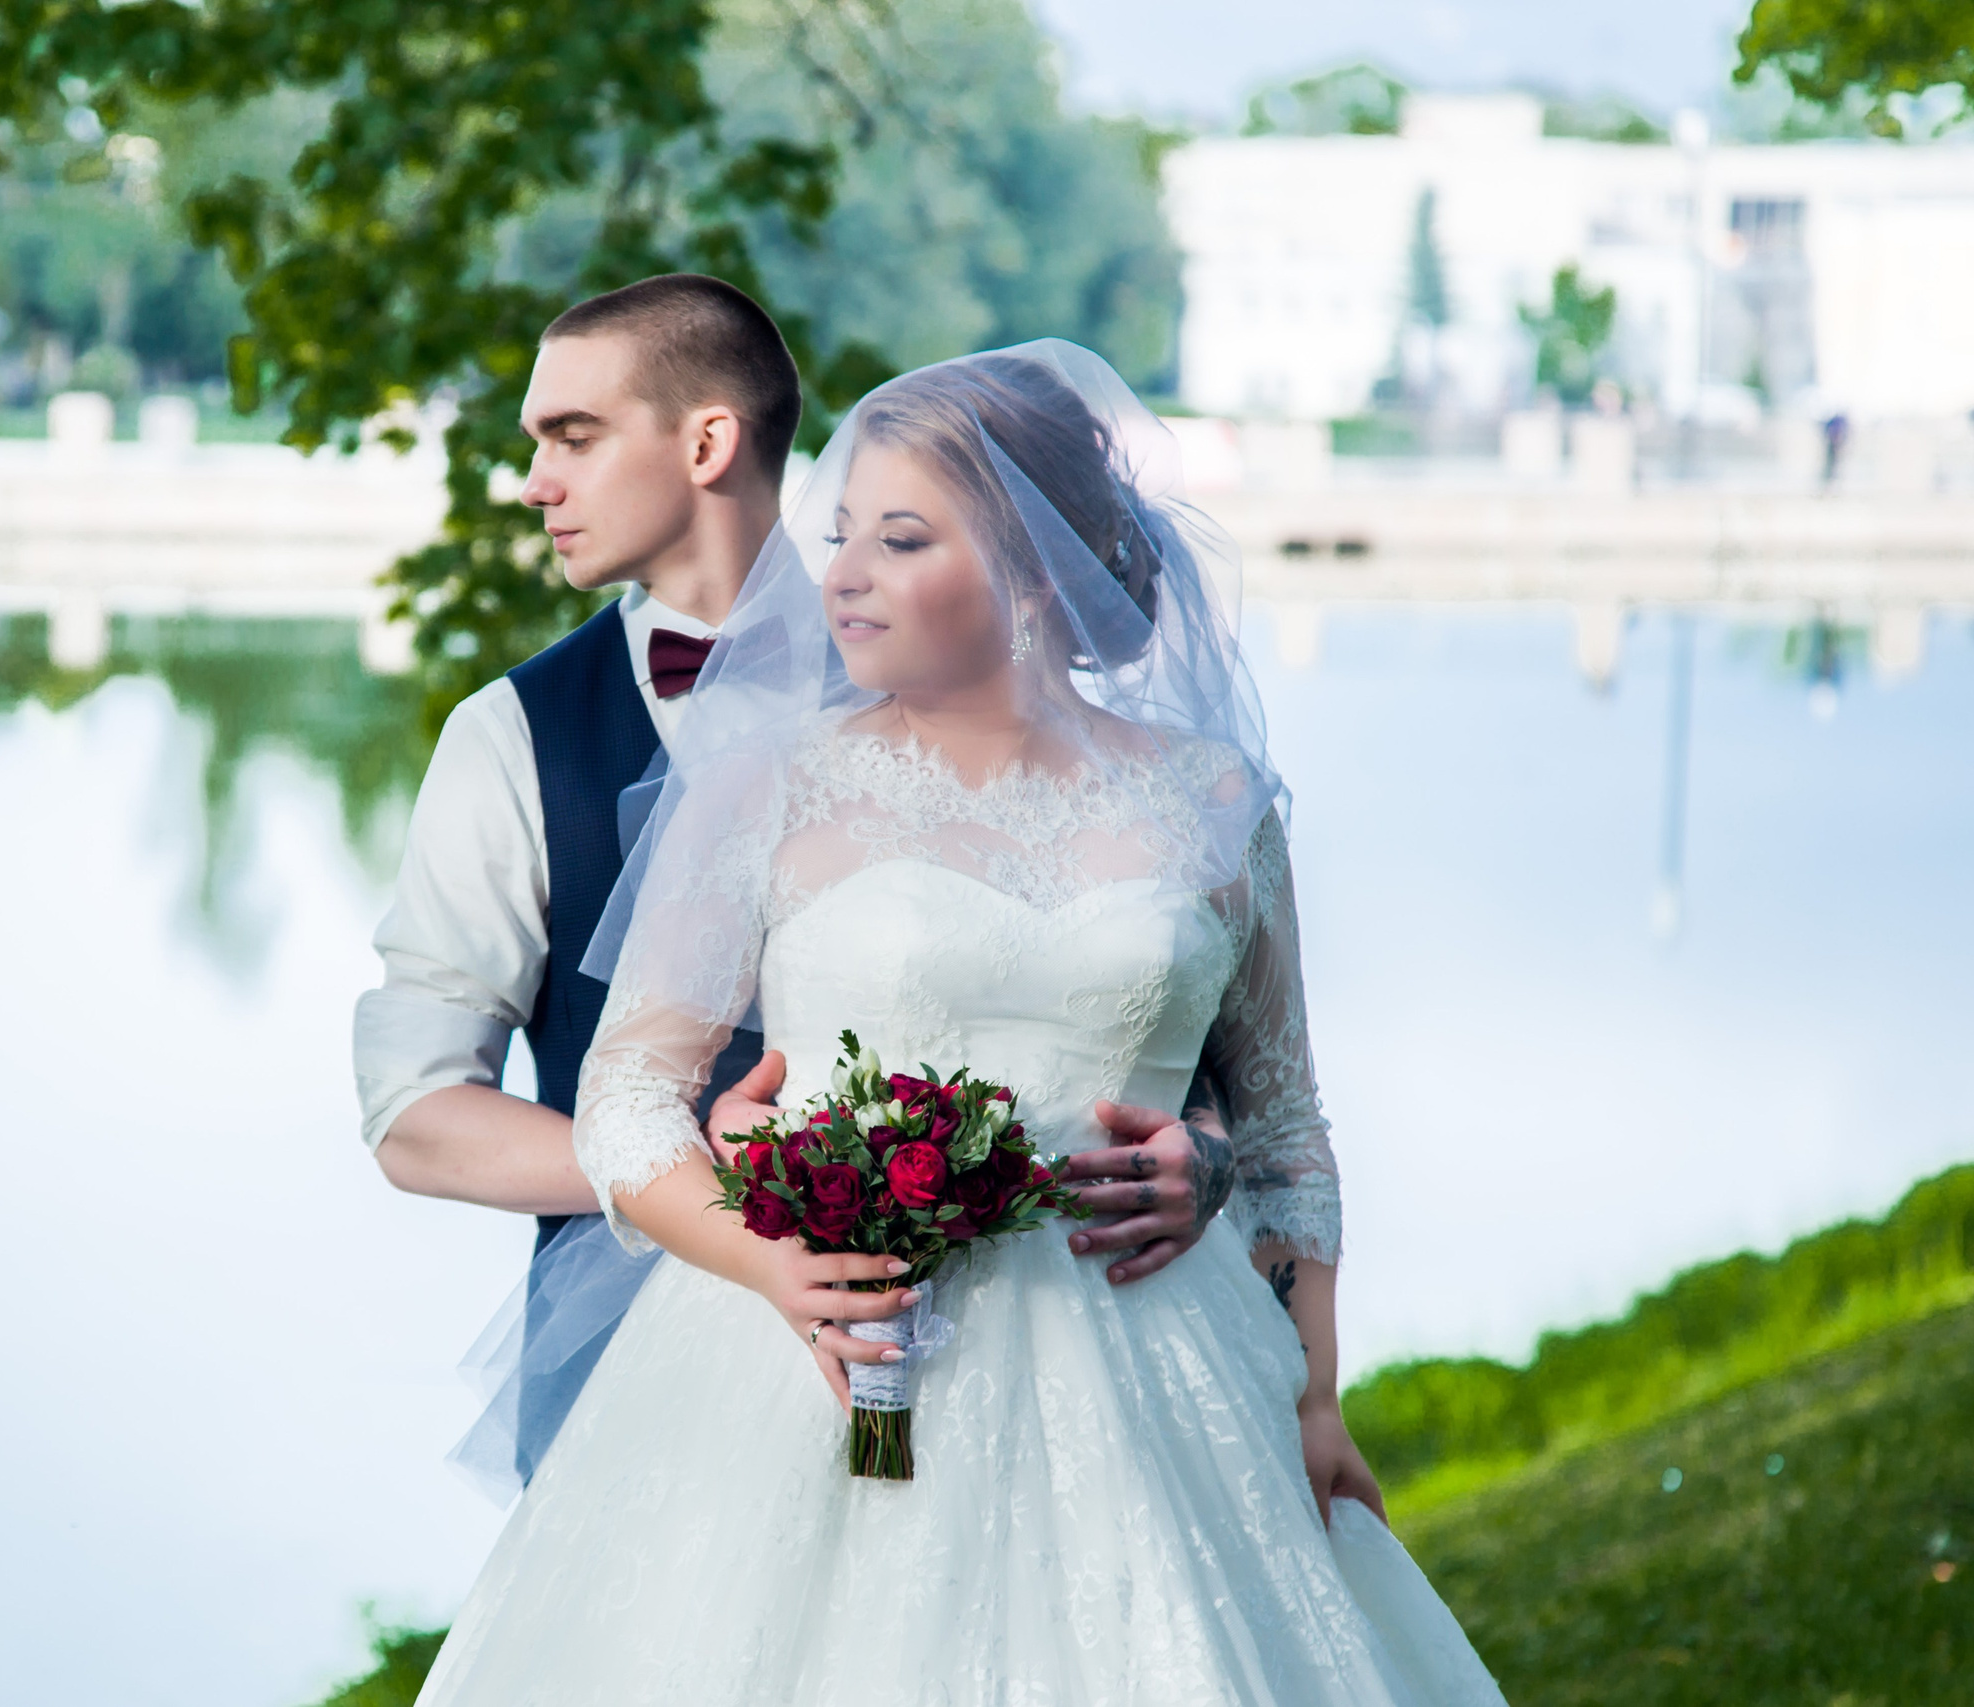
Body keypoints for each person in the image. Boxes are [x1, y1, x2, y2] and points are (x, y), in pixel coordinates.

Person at [412, 343, 1507, 1704]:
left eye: (903, 536)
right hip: (818, 1357)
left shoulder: (1216, 801)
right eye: (843, 534)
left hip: (1158, 1369)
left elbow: (1284, 1125)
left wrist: (1317, 1391)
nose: (845, 574)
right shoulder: (768, 787)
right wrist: (772, 1265)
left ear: (1038, 573)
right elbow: (633, 1095)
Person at [354, 276, 1244, 1494]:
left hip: (1057, 1365)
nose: (533, 482)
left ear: (707, 440)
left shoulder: (963, 653)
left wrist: (1205, 1157)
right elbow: (413, 1115)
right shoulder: (511, 737)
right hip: (637, 1384)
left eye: (572, 436)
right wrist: (743, 1193)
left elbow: (1182, 1036)